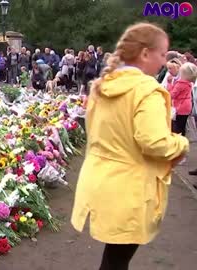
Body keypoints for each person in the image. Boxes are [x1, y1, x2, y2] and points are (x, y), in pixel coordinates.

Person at [71, 22, 189, 270]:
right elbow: (155, 142)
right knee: (116, 262)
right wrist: (181, 143)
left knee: (114, 259)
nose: (164, 61)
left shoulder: (102, 86)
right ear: (145, 53)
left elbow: (94, 133)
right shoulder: (147, 91)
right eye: (161, 54)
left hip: (100, 180)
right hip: (130, 188)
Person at [169, 62, 197, 136]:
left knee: (177, 126)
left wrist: (169, 84)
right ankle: (183, 136)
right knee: (183, 124)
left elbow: (172, 95)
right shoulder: (190, 83)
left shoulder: (180, 84)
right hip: (187, 107)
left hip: (180, 107)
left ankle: (178, 139)